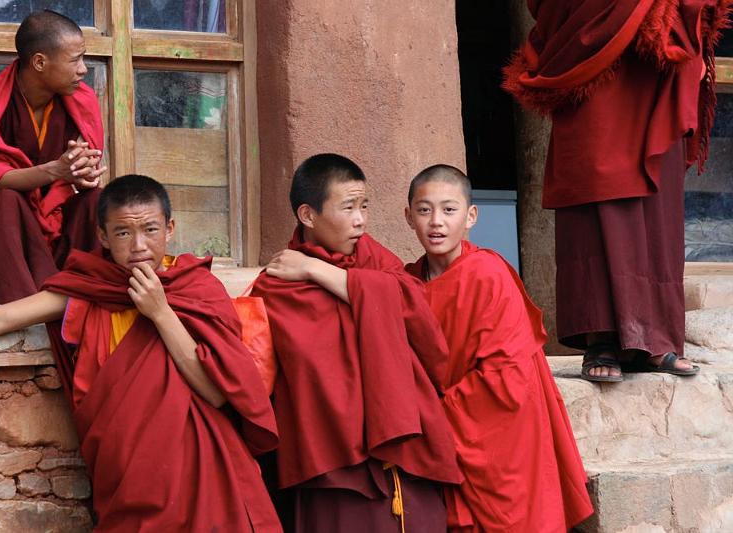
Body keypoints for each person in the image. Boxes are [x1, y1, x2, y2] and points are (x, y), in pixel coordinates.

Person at [0, 175, 282, 532]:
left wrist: (160, 312)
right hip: (128, 474)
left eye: (150, 229)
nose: (139, 246)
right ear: (102, 236)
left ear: (170, 228)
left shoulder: (198, 289)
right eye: (123, 233)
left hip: (200, 473)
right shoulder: (91, 288)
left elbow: (215, 393)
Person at [503, 0, 731, 381]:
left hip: (652, 69)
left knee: (656, 207)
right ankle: (601, 339)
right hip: (590, 61)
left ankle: (656, 339)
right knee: (595, 199)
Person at [252, 153, 461, 532]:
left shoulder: (374, 259)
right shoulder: (278, 285)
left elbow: (416, 313)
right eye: (348, 207)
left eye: (364, 206)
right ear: (307, 215)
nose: (361, 219)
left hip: (406, 451)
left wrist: (319, 271)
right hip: (332, 460)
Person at [404, 164, 594, 532]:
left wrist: (435, 416)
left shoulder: (487, 275)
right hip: (438, 437)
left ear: (471, 216)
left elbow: (507, 377)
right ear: (408, 216)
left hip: (494, 439)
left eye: (449, 209)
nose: (436, 222)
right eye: (424, 210)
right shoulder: (407, 282)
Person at [0, 10, 107, 304]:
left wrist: (82, 176)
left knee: (96, 201)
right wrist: (58, 170)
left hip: (54, 226)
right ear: (40, 62)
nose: (83, 70)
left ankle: (92, 303)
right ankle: (23, 310)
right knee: (7, 199)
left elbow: (81, 176)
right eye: (75, 60)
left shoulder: (81, 102)